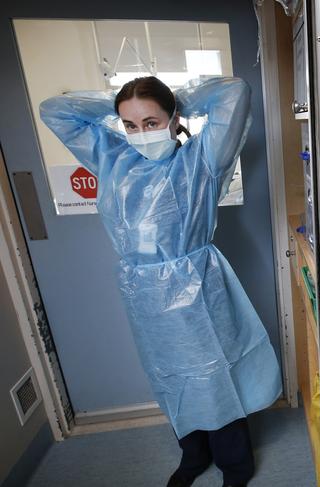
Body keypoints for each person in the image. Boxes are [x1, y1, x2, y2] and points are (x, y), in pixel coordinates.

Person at [40, 76, 283, 487]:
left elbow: (235, 92)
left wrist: (179, 98)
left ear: (173, 121)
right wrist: (120, 104)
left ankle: (235, 464)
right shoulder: (112, 158)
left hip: (197, 286)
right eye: (130, 126)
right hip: (143, 293)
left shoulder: (203, 159)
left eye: (151, 122)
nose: (140, 134)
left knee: (215, 373)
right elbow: (54, 111)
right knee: (169, 376)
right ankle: (193, 455)